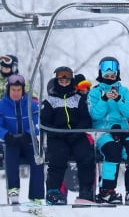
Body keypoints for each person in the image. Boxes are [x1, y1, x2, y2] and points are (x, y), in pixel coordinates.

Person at [88, 57, 129, 205]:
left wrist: (118, 99)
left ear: (117, 74)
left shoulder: (124, 91)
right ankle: (107, 190)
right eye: (107, 76)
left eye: (112, 76)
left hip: (124, 131)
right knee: (112, 151)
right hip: (104, 132)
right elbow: (95, 114)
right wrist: (104, 99)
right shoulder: (95, 93)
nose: (110, 78)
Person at [41, 66, 96, 205]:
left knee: (86, 156)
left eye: (67, 81)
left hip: (76, 135)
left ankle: (85, 191)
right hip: (57, 136)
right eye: (61, 81)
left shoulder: (78, 99)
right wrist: (58, 132)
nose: (64, 84)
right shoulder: (49, 101)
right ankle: (53, 192)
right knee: (58, 159)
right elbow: (44, 121)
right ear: (56, 81)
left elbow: (85, 119)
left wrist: (76, 132)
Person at [0, 73, 45, 204]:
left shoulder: (31, 105)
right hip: (12, 141)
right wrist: (6, 135)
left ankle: (36, 196)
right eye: (13, 90)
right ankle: (13, 190)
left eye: (18, 90)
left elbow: (38, 123)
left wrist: (29, 134)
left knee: (38, 160)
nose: (16, 93)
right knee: (11, 157)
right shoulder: (0, 106)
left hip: (28, 140)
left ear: (23, 90)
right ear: (8, 90)